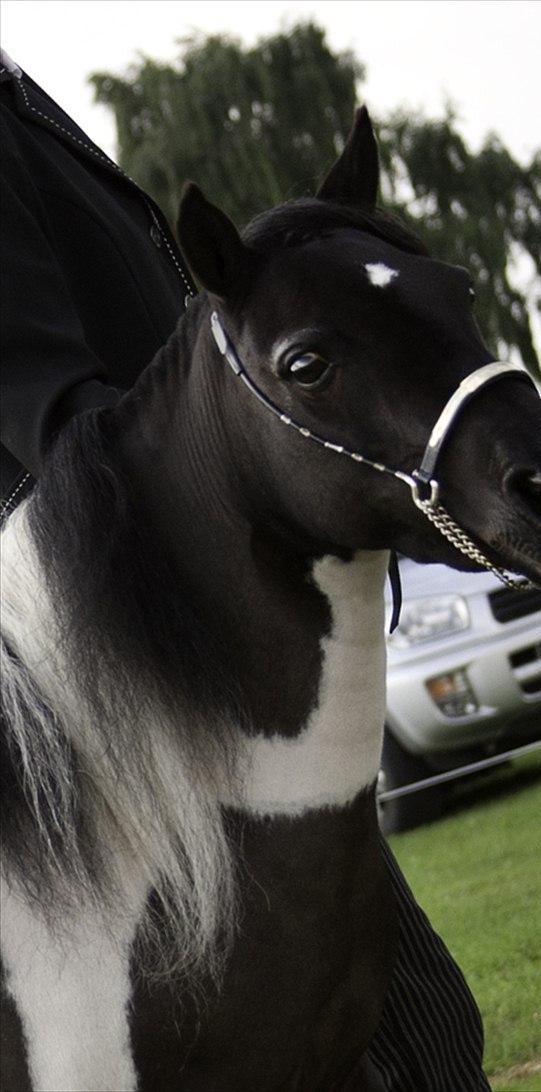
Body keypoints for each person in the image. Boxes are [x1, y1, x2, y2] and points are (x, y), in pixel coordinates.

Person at [0, 50, 491, 1091]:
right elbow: (60, 425)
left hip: (191, 642)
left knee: (397, 1017)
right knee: (390, 1024)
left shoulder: (14, 93)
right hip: (128, 660)